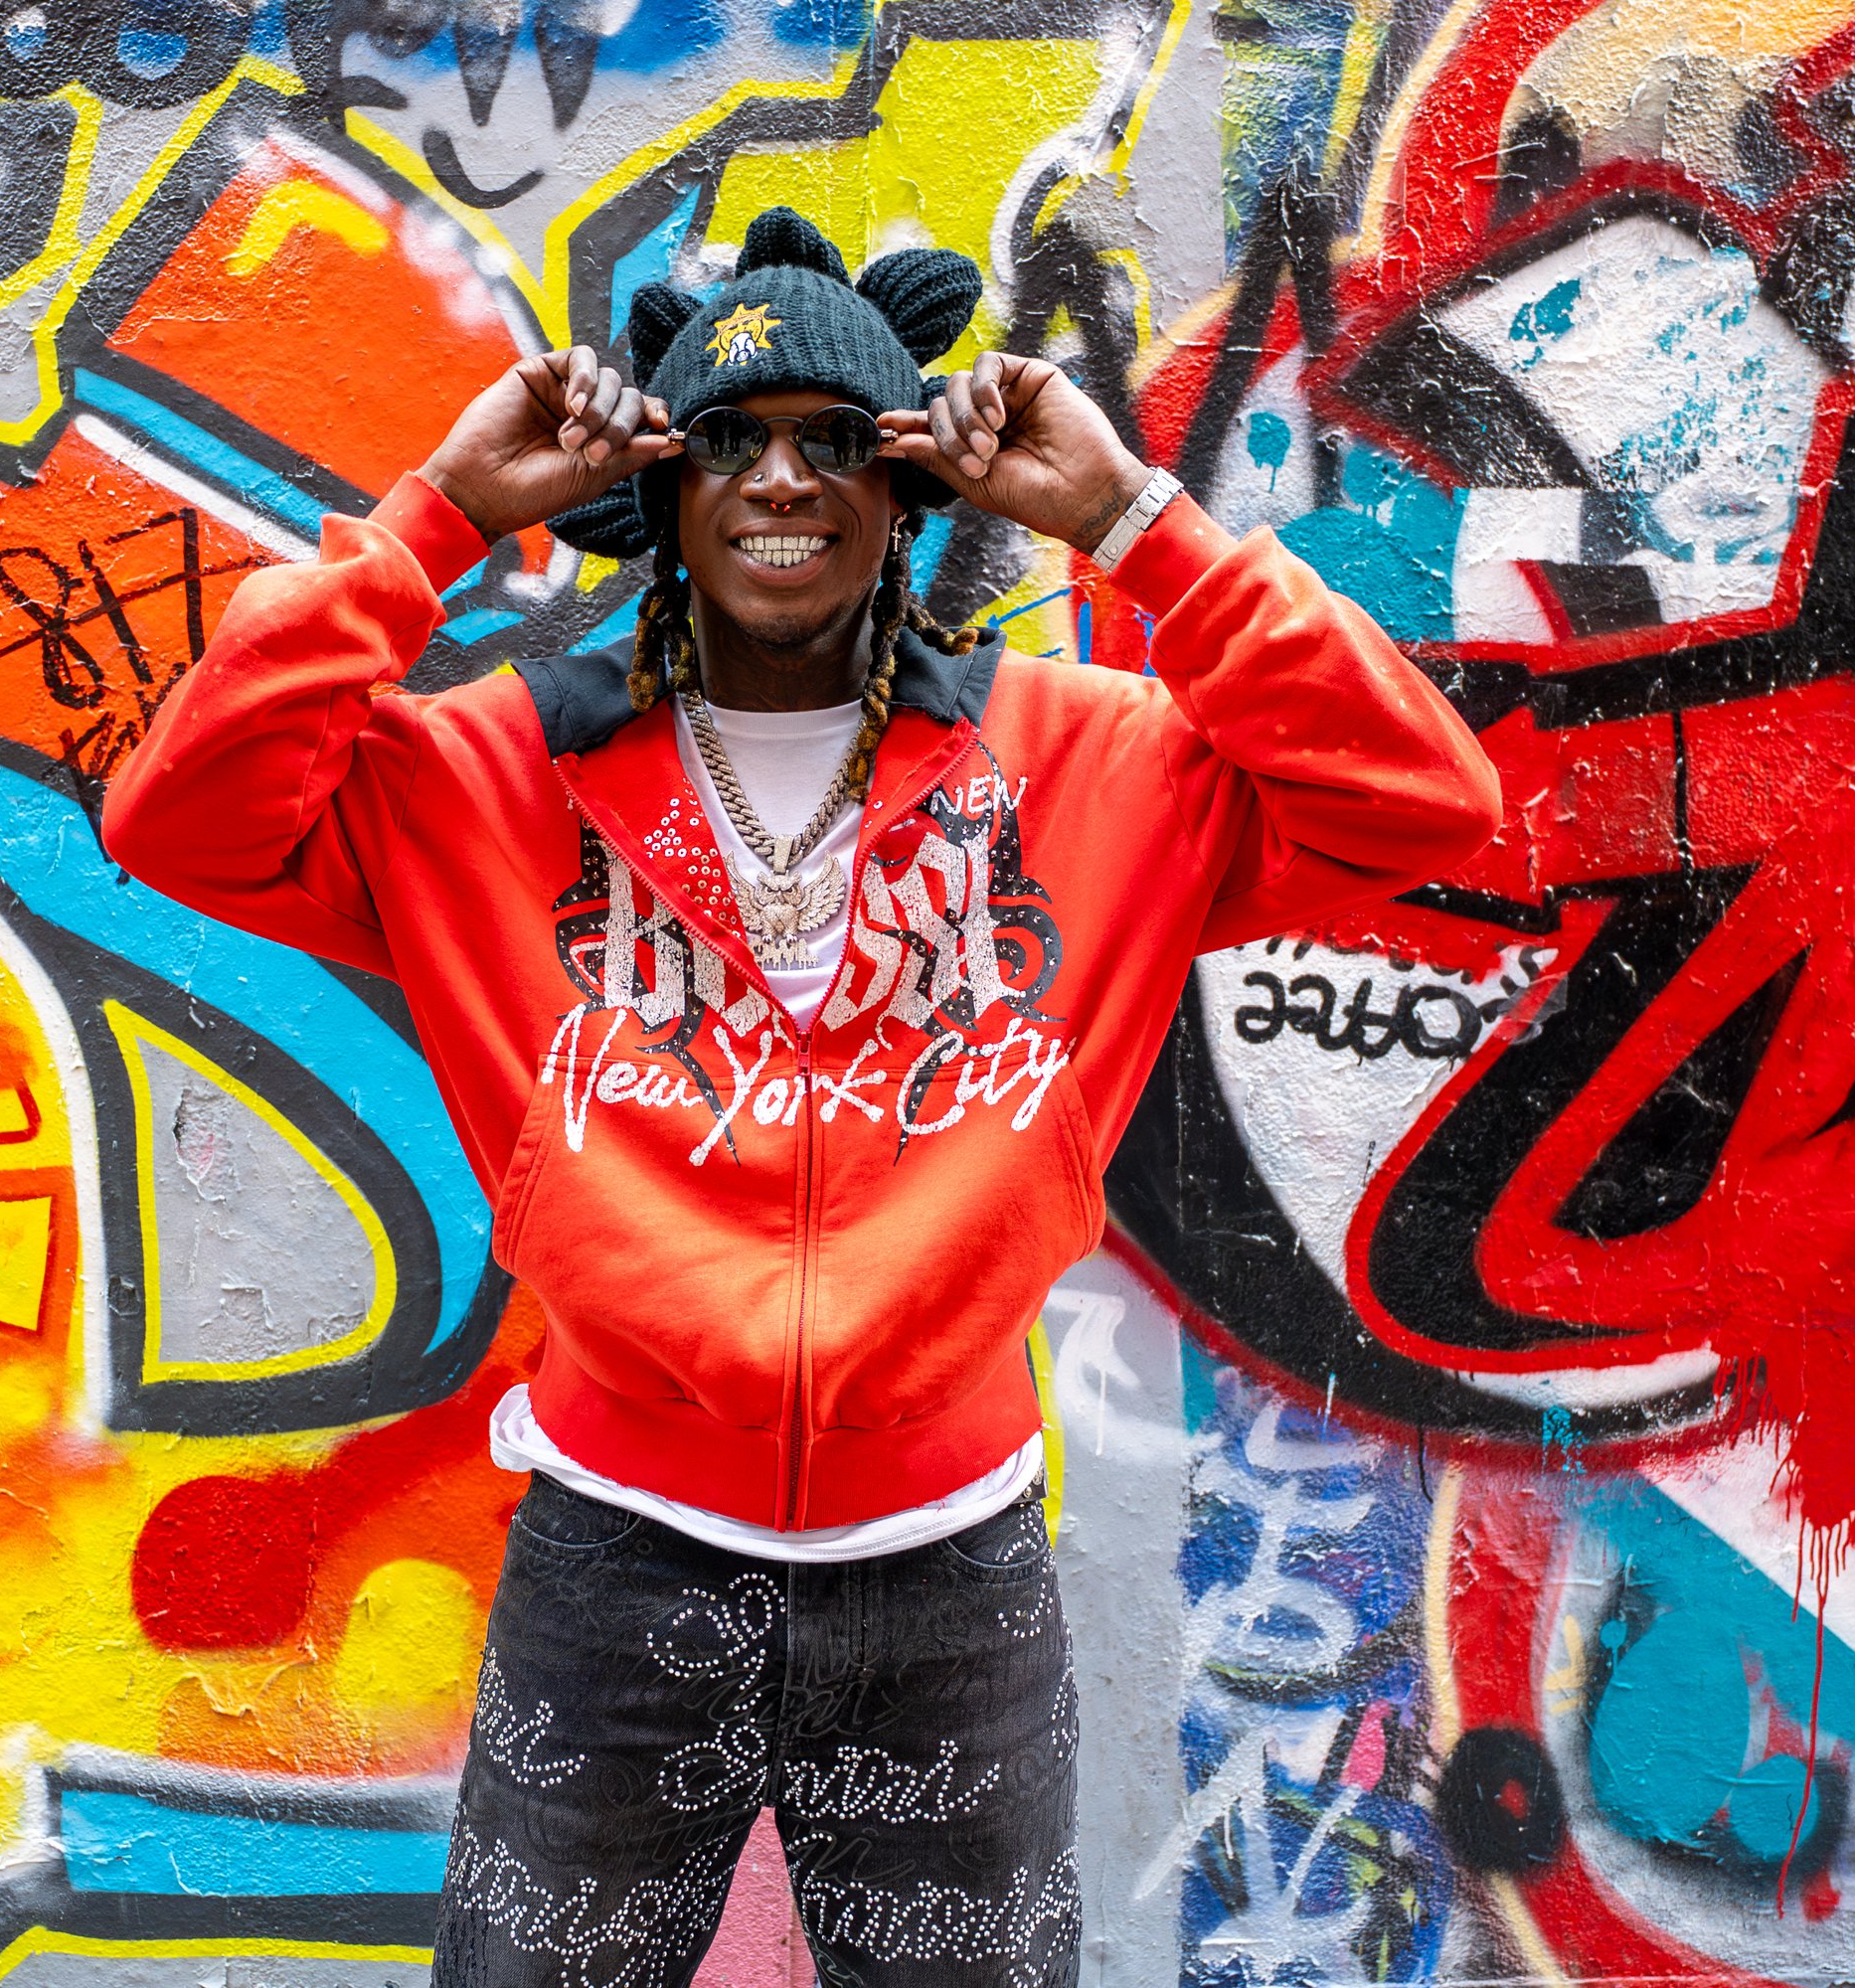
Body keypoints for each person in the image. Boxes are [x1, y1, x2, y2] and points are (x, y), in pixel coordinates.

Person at [101, 207, 1501, 1987]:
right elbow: (180, 815)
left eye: (836, 442)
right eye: (733, 444)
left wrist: (1132, 523)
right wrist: (436, 518)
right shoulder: (483, 770)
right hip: (615, 1572)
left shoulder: (1090, 761)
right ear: (662, 496)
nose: (784, 481)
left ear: (903, 490)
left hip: (954, 1576)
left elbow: (1425, 804)